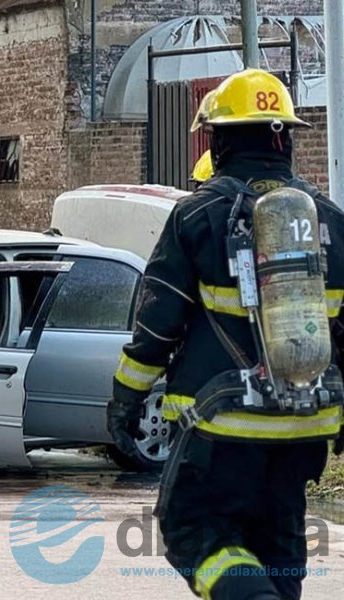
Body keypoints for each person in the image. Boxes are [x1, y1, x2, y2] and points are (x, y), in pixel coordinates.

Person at [108, 69, 344, 600]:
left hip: (223, 423)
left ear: (220, 141)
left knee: (191, 529)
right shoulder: (331, 220)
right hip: (306, 425)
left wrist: (125, 400)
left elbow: (156, 326)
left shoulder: (198, 215)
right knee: (278, 539)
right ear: (284, 138)